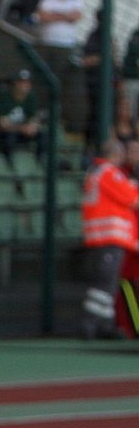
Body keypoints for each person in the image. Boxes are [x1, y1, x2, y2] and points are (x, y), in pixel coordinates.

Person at [79, 137, 139, 339]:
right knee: (104, 283)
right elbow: (132, 199)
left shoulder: (97, 172)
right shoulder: (109, 173)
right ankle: (90, 324)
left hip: (102, 237)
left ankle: (105, 325)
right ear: (117, 154)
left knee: (109, 283)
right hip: (109, 237)